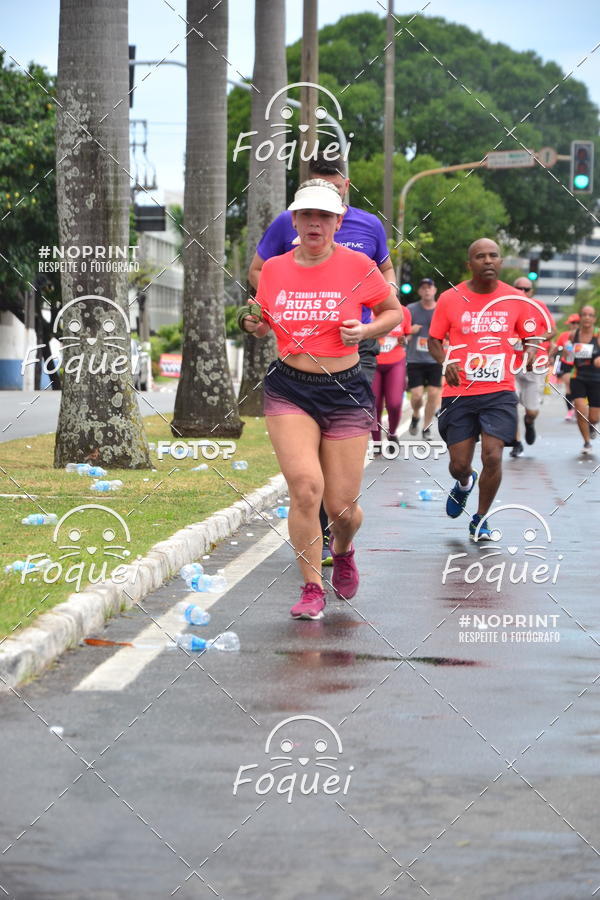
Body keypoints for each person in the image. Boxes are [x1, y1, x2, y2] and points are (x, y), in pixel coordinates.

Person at [239, 179, 403, 618]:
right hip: (290, 388)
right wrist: (252, 322)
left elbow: (394, 312)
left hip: (346, 389)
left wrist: (366, 330)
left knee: (343, 507)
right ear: (293, 221)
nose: (314, 222)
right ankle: (312, 587)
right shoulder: (274, 268)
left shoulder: (358, 266)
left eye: (324, 216)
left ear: (337, 222)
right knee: (306, 489)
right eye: (306, 215)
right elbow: (259, 313)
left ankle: (344, 549)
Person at [428, 238, 541, 541]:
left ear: (500, 262)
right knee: (459, 464)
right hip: (459, 391)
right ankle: (464, 483)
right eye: (480, 256)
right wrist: (446, 361)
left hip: (499, 390)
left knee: (493, 455)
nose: (488, 261)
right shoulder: (450, 298)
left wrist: (529, 352)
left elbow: (531, 335)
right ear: (470, 264)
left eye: (493, 256)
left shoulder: (516, 298)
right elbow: (434, 340)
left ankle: (480, 518)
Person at [509, 276, 555, 457]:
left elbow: (552, 330)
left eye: (526, 289)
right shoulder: (506, 307)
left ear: (531, 292)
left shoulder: (539, 306)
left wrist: (533, 342)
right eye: (518, 288)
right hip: (510, 363)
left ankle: (529, 422)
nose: (522, 292)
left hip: (535, 363)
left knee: (532, 411)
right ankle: (516, 441)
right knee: (509, 402)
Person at [406, 277, 443, 440]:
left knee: (434, 394)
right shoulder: (411, 309)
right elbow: (401, 334)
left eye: (430, 287)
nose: (427, 290)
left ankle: (426, 427)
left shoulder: (441, 310)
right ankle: (415, 415)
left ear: (435, 290)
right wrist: (409, 331)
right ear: (419, 291)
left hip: (435, 359)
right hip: (415, 359)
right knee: (417, 395)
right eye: (423, 288)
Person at [370, 304, 412, 447]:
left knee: (394, 403)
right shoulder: (368, 311)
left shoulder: (403, 311)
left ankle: (392, 432)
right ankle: (376, 442)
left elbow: (407, 335)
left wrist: (404, 340)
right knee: (374, 404)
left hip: (395, 361)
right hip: (372, 362)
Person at [568, 305, 600, 454]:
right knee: (580, 409)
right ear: (580, 317)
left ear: (594, 318)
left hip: (597, 379)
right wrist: (564, 352)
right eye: (584, 314)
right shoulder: (573, 335)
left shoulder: (598, 335)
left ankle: (591, 426)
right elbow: (568, 357)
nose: (587, 317)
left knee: (594, 417)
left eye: (590, 315)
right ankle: (587, 443)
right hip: (578, 376)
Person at [551, 313, 580, 421]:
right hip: (566, 364)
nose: (575, 325)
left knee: (577, 388)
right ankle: (570, 410)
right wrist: (550, 357)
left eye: (577, 323)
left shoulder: (585, 335)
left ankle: (578, 409)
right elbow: (556, 348)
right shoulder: (564, 335)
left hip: (580, 365)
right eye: (573, 323)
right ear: (569, 324)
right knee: (569, 386)